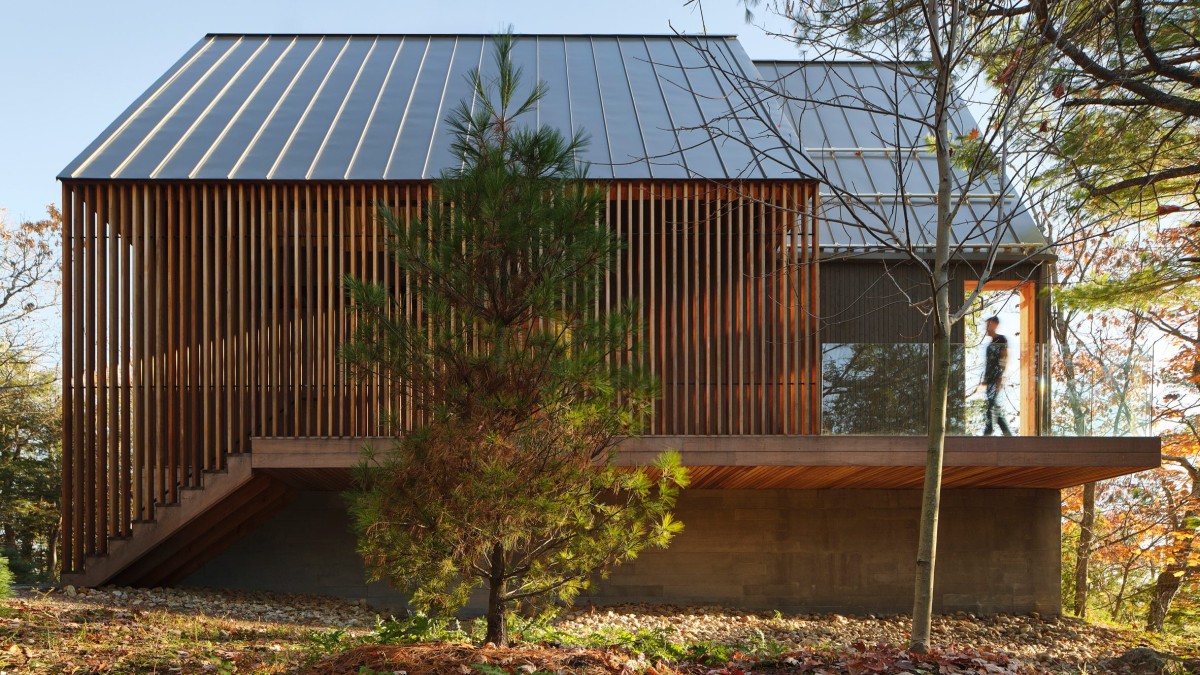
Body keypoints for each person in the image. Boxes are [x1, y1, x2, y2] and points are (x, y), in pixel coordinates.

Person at [982, 316, 1013, 436]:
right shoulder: (991, 343)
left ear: (995, 325)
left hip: (996, 379)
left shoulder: (1001, 339)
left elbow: (1004, 358)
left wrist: (1001, 376)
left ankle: (987, 432)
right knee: (995, 407)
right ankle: (1008, 435)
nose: (986, 328)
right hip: (990, 380)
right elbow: (989, 363)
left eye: (988, 325)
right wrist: (985, 380)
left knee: (991, 406)